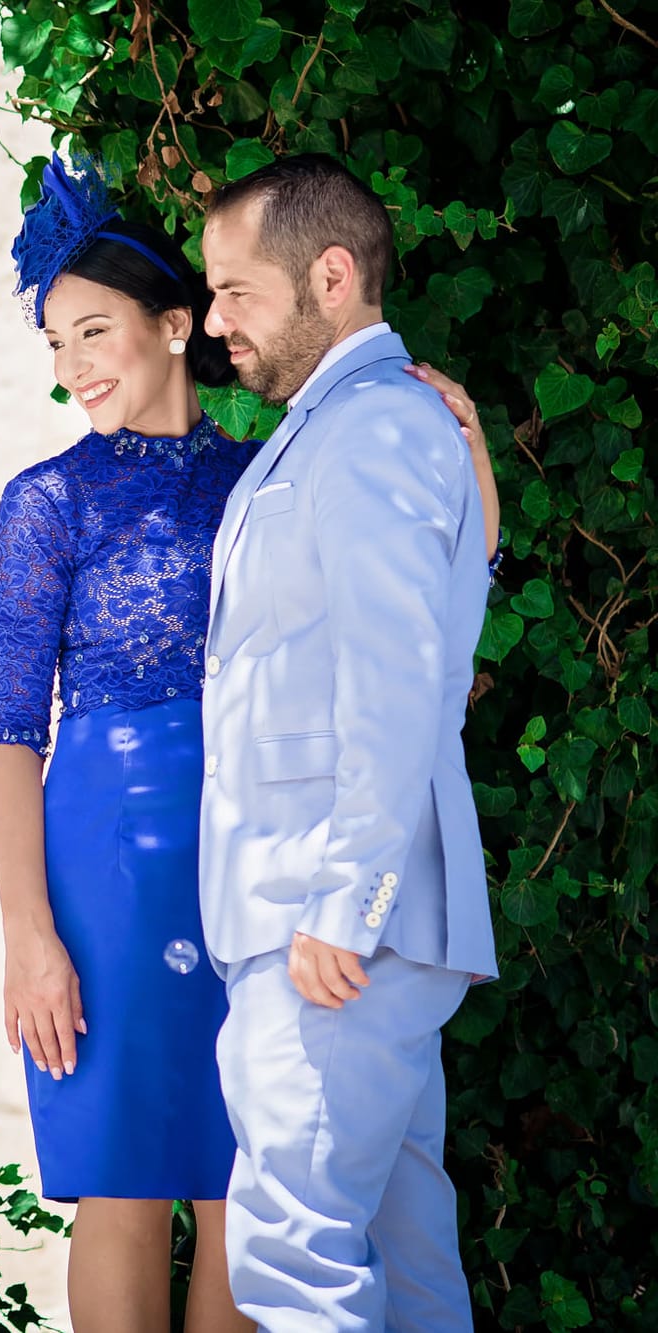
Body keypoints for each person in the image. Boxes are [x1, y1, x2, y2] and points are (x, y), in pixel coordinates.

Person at [0, 156, 498, 1332]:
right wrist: (27, 934)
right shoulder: (47, 501)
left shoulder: (280, 459)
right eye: (53, 346)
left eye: (93, 332)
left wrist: (476, 503)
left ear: (175, 327)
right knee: (124, 1182)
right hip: (109, 866)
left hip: (272, 868)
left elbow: (405, 650)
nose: (72, 369)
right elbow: (9, 727)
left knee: (251, 1195)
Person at [195, 153, 500, 1331]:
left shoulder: (369, 429)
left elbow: (394, 685)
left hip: (330, 923)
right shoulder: (357, 426)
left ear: (329, 276)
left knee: (292, 1259)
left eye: (234, 292)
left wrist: (343, 902)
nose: (213, 321)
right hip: (343, 920)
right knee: (402, 1249)